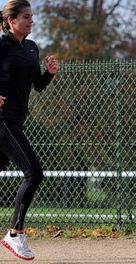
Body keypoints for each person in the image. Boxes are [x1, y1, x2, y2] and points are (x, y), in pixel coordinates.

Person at [0, 0, 58, 260]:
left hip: (17, 120)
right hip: (2, 121)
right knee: (34, 173)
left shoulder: (32, 48)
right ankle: (15, 233)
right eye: (25, 17)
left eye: (32, 17)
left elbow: (38, 86)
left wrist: (49, 73)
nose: (31, 21)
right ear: (11, 20)